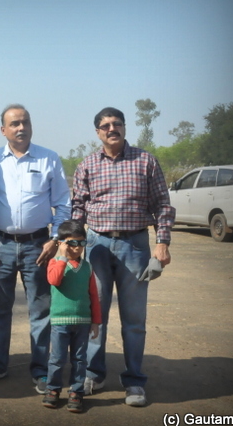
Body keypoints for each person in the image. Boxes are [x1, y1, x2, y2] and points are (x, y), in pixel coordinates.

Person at [72, 106, 175, 407]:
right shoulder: (87, 165)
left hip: (135, 246)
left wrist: (162, 243)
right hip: (98, 246)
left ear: (125, 127)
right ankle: (94, 373)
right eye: (105, 125)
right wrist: (73, 245)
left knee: (134, 319)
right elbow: (78, 207)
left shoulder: (145, 161)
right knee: (96, 315)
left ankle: (134, 381)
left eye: (116, 123)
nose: (111, 129)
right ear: (98, 132)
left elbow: (163, 205)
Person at [0, 104, 71, 393]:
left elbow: (63, 204)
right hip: (0, 245)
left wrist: (55, 239)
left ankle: (41, 369)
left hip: (38, 246)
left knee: (41, 311)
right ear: (3, 130)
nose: (21, 128)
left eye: (25, 122)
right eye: (14, 124)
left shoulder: (48, 158)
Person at [41, 219, 101, 413]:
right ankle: (53, 389)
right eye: (72, 243)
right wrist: (62, 257)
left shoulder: (87, 268)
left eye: (81, 243)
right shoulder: (54, 263)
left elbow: (94, 296)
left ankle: (76, 391)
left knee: (80, 359)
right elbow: (54, 280)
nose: (77, 247)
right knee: (57, 358)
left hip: (82, 322)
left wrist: (96, 322)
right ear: (61, 243)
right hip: (60, 322)